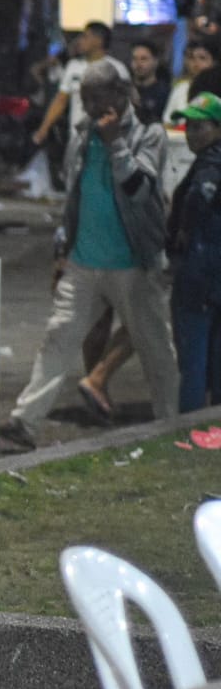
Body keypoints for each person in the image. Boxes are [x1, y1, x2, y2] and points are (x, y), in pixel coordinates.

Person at [0, 61, 178, 451]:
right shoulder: (82, 136)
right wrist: (63, 250)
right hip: (84, 260)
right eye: (85, 99)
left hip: (131, 263)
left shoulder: (147, 134)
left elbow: (139, 190)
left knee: (154, 346)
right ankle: (25, 421)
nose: (90, 107)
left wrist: (115, 142)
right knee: (59, 338)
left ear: (120, 94)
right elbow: (74, 200)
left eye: (97, 98)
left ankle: (172, 422)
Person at [168, 92, 221, 411]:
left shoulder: (210, 165)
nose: (190, 133)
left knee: (193, 361)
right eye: (189, 126)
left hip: (200, 273)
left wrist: (181, 235)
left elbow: (198, 198)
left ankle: (191, 430)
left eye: (200, 127)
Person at [32, 21, 127, 148]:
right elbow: (61, 101)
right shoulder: (73, 67)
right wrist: (44, 128)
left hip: (106, 143)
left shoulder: (118, 69)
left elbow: (126, 106)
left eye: (85, 37)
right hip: (77, 140)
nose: (79, 41)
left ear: (98, 41)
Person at [163, 37, 218, 197]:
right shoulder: (180, 88)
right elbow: (167, 122)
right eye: (192, 58)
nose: (196, 63)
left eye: (202, 58)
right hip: (178, 156)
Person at [130, 40, 171, 127]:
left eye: (143, 59)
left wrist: (138, 105)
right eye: (134, 59)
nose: (138, 64)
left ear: (156, 61)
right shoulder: (125, 89)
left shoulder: (165, 92)